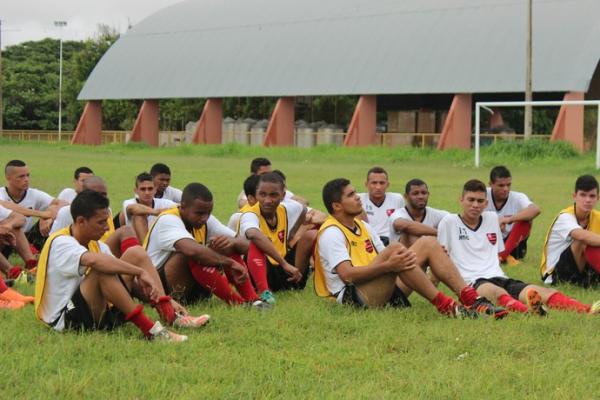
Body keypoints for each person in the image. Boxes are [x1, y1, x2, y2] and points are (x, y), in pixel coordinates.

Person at [313, 178, 506, 318]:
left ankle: (471, 298)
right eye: (351, 195)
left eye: (356, 192)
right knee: (396, 249)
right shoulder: (332, 232)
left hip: (379, 287)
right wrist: (388, 266)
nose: (358, 198)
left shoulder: (364, 226)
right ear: (337, 206)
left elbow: (387, 259)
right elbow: (347, 275)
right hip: (352, 296)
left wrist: (433, 257)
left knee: (428, 243)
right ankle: (447, 306)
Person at [34, 190, 192, 341]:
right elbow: (96, 263)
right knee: (101, 269)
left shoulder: (97, 245)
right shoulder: (60, 242)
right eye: (101, 222)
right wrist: (139, 272)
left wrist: (166, 300)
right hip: (65, 320)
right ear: (81, 221)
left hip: (95, 311)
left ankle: (169, 314)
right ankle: (152, 332)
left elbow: (118, 278)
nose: (108, 228)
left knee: (136, 253)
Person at [438, 179, 598, 316]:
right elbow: (441, 260)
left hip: (498, 275)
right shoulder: (449, 222)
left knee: (541, 291)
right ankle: (528, 313)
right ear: (461, 200)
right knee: (496, 292)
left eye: (480, 201)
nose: (475, 205)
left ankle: (588, 309)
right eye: (470, 200)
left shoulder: (491, 218)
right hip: (471, 281)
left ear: (486, 203)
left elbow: (497, 253)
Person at [144, 183, 267, 308]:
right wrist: (229, 263)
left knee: (225, 245)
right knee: (192, 253)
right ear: (183, 206)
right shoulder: (168, 219)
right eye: (199, 213)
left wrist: (233, 242)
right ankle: (238, 303)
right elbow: (193, 251)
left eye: (208, 213)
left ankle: (253, 299)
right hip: (159, 286)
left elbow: (248, 247)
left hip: (193, 285)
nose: (204, 218)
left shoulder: (206, 219)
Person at [240, 173, 316, 304]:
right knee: (257, 242)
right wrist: (284, 264)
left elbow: (303, 209)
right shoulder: (249, 215)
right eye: (262, 194)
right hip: (262, 270)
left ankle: (308, 282)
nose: (267, 200)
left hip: (283, 269)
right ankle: (263, 291)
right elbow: (252, 234)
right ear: (256, 195)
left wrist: (292, 235)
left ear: (283, 195)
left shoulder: (288, 208)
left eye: (273, 195)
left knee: (312, 235)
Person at [541, 175, 600, 287]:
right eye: (583, 195)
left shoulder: (597, 217)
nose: (587, 200)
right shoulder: (564, 217)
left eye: (592, 196)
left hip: (580, 269)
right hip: (555, 274)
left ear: (598, 198)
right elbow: (582, 236)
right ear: (574, 196)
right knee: (583, 240)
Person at [0, 160, 66, 252]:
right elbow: (8, 206)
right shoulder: (1, 193)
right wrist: (42, 214)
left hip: (28, 236)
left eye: (28, 175)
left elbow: (63, 203)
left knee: (57, 216)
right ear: (8, 178)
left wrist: (48, 217)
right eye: (21, 176)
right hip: (6, 234)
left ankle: (54, 251)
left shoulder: (33, 193)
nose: (26, 179)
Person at [486, 166, 541, 265]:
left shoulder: (517, 197)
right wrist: (495, 225)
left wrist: (508, 219)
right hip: (488, 240)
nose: (506, 189)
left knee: (526, 220)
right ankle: (504, 257)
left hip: (513, 245)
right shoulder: (482, 196)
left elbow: (535, 210)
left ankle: (502, 256)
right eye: (501, 185)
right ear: (491, 184)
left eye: (508, 185)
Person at [388, 179, 449, 247]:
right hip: (401, 256)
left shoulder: (435, 213)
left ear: (428, 194)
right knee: (411, 233)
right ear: (406, 196)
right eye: (415, 193)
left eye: (424, 193)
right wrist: (439, 233)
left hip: (428, 254)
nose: (421, 197)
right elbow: (403, 225)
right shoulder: (398, 214)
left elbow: (455, 220)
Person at [121, 172, 177, 241]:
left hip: (158, 243)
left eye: (150, 189)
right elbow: (132, 208)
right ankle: (146, 249)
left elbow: (181, 208)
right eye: (143, 189)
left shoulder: (165, 203)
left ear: (155, 190)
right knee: (139, 216)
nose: (147, 193)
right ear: (136, 191)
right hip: (136, 246)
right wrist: (156, 212)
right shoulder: (129, 202)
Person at [359, 167, 404, 246]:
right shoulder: (358, 200)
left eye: (382, 183)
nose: (378, 187)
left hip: (391, 243)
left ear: (387, 184)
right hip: (368, 242)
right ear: (366, 184)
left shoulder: (397, 199)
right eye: (374, 183)